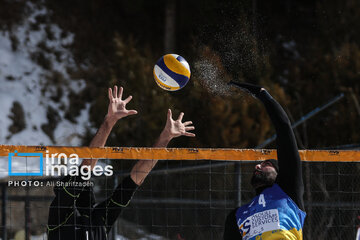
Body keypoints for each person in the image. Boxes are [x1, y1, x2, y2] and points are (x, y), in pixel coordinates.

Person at [47, 86, 195, 240]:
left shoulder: (97, 220)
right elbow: (89, 171)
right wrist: (164, 139)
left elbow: (132, 181)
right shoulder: (61, 218)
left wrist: (165, 138)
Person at [223, 82, 306, 240]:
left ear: (279, 175)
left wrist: (263, 94)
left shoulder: (288, 191)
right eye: (261, 164)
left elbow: (284, 127)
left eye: (266, 164)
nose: (258, 165)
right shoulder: (237, 216)